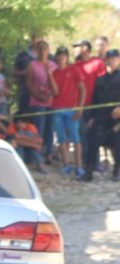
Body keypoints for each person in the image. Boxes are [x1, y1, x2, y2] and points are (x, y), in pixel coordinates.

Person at [82, 49, 120, 182]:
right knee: (92, 141)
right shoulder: (100, 80)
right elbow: (94, 100)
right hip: (100, 118)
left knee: (117, 143)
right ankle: (88, 172)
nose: (111, 61)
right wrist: (91, 117)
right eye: (109, 58)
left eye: (115, 58)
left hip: (117, 119)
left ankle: (117, 171)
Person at [51, 46, 86, 176]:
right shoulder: (53, 73)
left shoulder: (74, 70)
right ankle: (66, 165)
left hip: (72, 108)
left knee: (76, 139)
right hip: (57, 109)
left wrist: (80, 107)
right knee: (61, 139)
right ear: (56, 57)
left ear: (67, 57)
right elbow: (54, 92)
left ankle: (79, 166)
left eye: (64, 55)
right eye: (59, 55)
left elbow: (82, 89)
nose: (61, 57)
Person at [74, 39, 107, 169]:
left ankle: (96, 161)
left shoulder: (97, 63)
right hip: (79, 105)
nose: (76, 49)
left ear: (86, 48)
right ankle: (86, 161)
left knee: (95, 132)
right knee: (82, 133)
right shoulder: (75, 65)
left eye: (78, 46)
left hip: (95, 104)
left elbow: (103, 83)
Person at [25, 40, 59, 162]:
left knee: (50, 128)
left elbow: (57, 83)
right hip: (36, 101)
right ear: (36, 51)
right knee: (38, 128)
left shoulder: (53, 65)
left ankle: (48, 153)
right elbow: (28, 84)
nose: (42, 51)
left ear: (48, 50)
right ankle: (37, 155)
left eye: (45, 48)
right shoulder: (32, 65)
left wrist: (50, 94)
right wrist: (37, 95)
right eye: (40, 48)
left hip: (51, 101)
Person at [13, 35, 41, 114]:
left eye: (40, 37)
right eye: (36, 38)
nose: (38, 40)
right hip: (25, 93)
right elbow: (14, 73)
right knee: (25, 117)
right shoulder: (23, 55)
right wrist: (25, 72)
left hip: (42, 95)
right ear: (32, 40)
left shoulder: (49, 56)